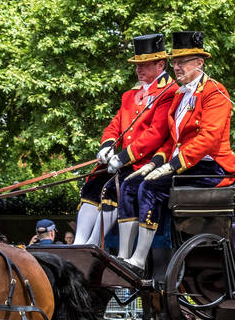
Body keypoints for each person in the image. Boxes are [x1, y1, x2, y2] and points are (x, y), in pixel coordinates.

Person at [117, 31, 235, 270]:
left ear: (199, 63)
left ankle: (140, 260)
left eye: (182, 62)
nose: (177, 67)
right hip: (185, 163)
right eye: (174, 62)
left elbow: (209, 138)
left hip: (211, 166)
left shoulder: (215, 92)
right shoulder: (180, 94)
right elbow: (171, 141)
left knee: (150, 188)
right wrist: (155, 163)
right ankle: (123, 255)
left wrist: (172, 166)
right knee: (130, 185)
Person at [74, 33, 178, 247]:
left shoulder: (170, 92)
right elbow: (115, 124)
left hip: (146, 162)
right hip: (122, 161)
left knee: (111, 189)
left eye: (144, 64)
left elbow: (156, 133)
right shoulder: (131, 95)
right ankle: (79, 242)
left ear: (160, 65)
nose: (138, 69)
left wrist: (123, 157)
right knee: (93, 183)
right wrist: (107, 146)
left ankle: (93, 244)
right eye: (137, 65)